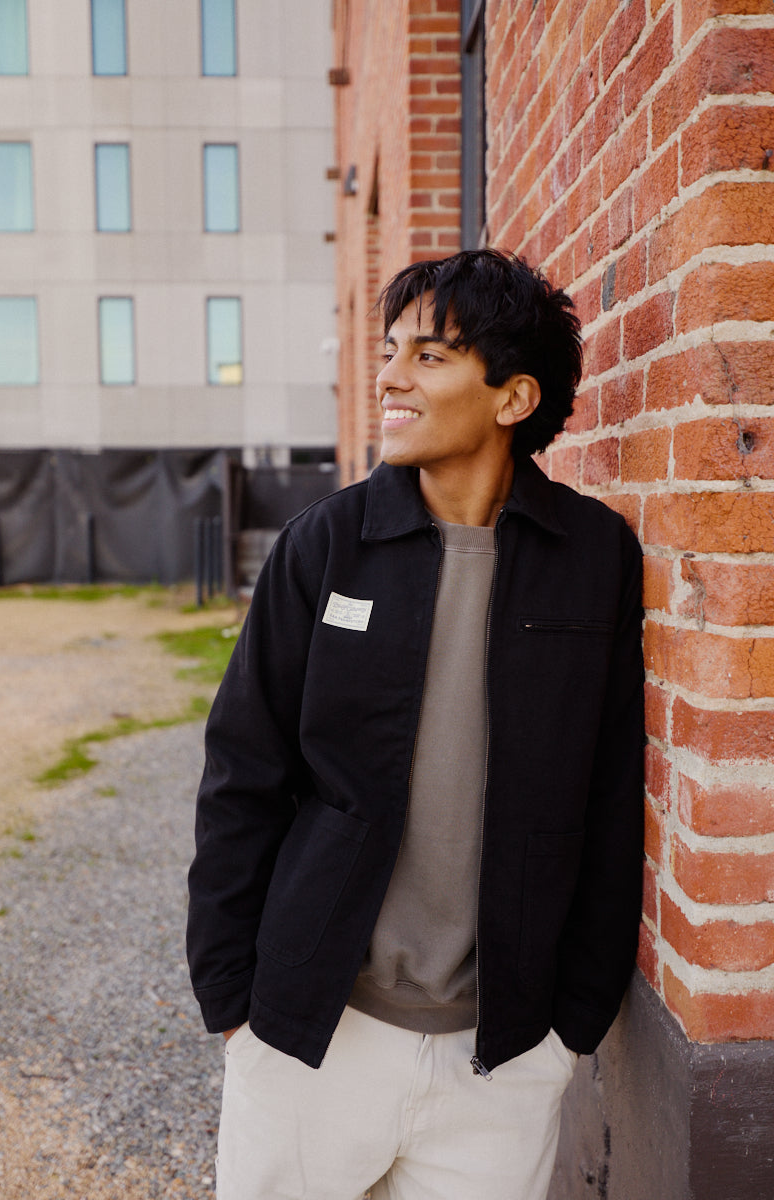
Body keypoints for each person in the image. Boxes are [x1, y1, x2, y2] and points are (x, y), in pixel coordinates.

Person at [186, 248, 645, 1200]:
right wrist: (235, 1003)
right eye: (390, 349)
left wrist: (569, 1027)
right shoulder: (326, 544)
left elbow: (609, 793)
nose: (391, 375)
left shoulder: (594, 556)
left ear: (513, 398)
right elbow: (245, 769)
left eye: (430, 357)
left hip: (505, 1057)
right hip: (314, 1035)